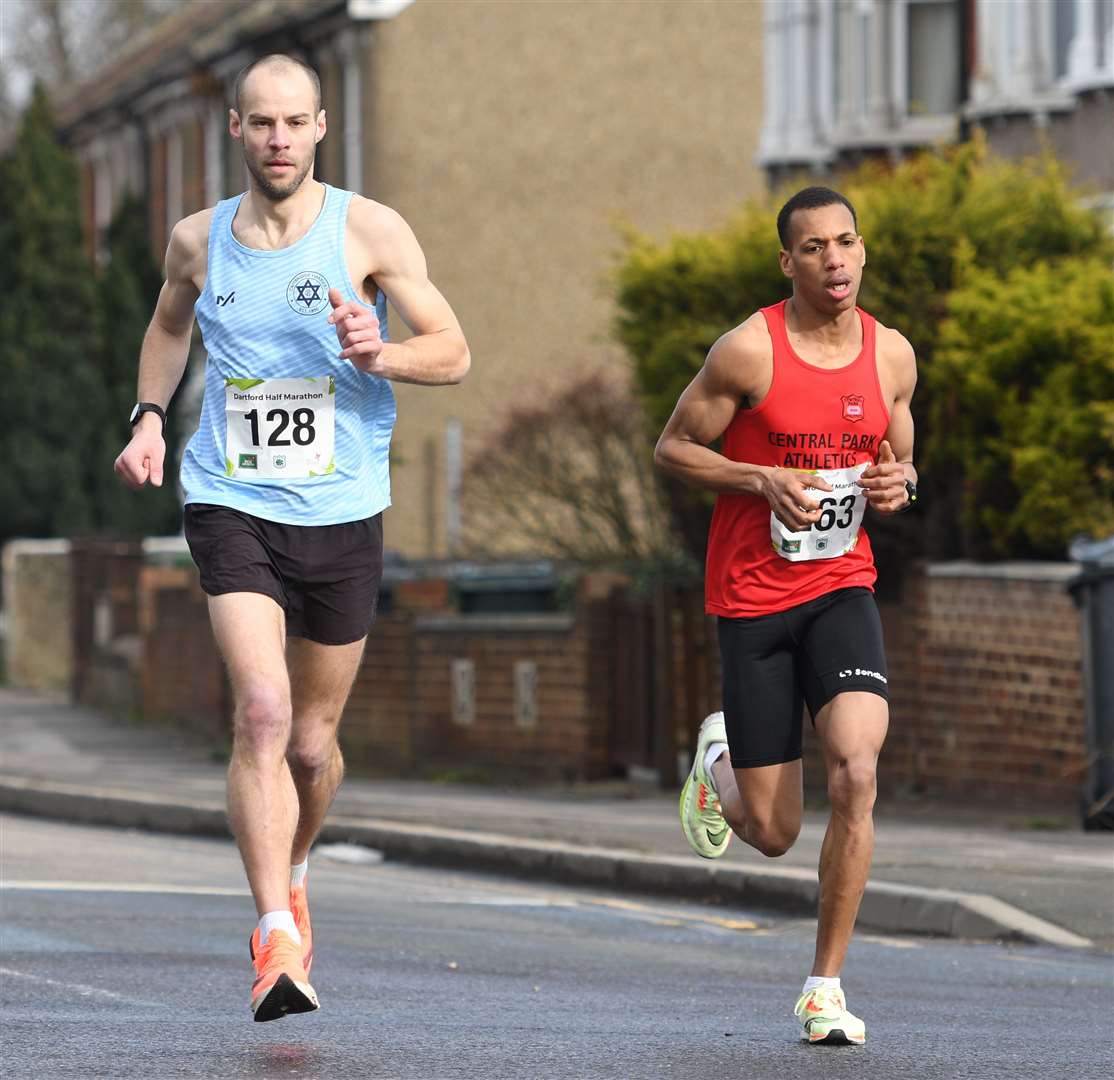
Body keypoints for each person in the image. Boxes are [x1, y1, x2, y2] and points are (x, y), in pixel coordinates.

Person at [113, 54, 469, 1022]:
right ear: (235, 129)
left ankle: (296, 865)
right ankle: (274, 937)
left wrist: (381, 351)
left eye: (293, 123)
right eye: (259, 123)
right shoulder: (198, 241)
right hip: (230, 501)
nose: (277, 139)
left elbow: (455, 350)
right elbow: (166, 327)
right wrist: (149, 419)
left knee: (312, 749)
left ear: (319, 129)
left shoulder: (368, 231)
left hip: (342, 511)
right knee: (262, 711)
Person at [655, 186, 917, 1046]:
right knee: (770, 832)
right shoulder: (747, 352)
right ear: (788, 262)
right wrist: (757, 477)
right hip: (752, 598)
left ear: (863, 251)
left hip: (841, 588)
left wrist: (897, 484)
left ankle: (825, 989)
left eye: (845, 243)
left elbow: (899, 463)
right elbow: (675, 448)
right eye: (813, 248)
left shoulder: (892, 357)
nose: (833, 260)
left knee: (856, 771)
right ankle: (721, 758)